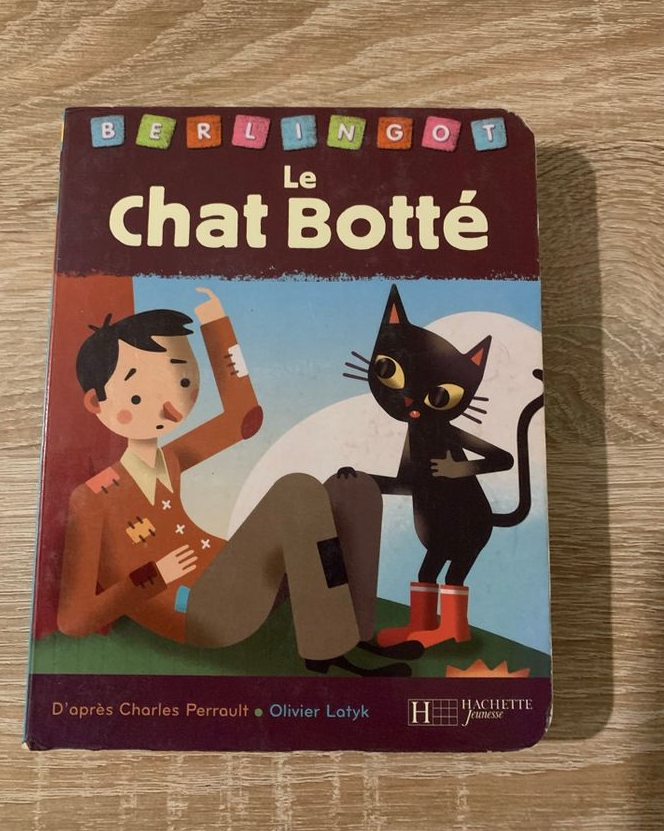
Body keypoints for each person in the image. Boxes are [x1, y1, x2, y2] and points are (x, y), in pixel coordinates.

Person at [57, 287, 421, 675]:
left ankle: (355, 631)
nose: (170, 407)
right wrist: (154, 576)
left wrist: (218, 327)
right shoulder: (92, 499)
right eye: (139, 394)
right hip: (199, 611)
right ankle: (326, 650)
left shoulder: (169, 460)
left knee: (354, 489)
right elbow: (73, 621)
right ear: (96, 402)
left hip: (239, 583)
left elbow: (243, 418)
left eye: (182, 382)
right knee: (296, 492)